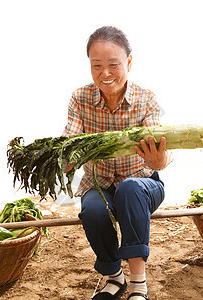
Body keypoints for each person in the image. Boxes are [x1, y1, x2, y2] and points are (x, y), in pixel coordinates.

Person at [62, 26, 170, 300]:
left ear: (129, 63)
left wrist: (161, 160)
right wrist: (63, 160)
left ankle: (137, 283)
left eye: (113, 64)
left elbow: (161, 149)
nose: (105, 73)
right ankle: (114, 277)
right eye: (96, 65)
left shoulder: (147, 100)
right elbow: (70, 139)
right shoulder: (80, 98)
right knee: (93, 211)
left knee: (130, 189)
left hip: (144, 186)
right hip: (99, 185)